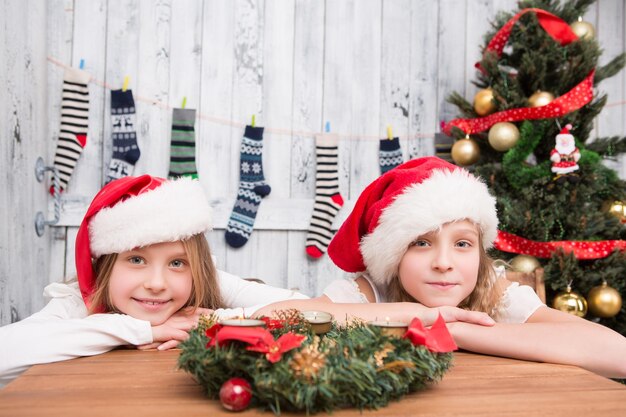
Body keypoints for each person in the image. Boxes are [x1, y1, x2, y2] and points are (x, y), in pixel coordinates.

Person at [311, 156, 626, 378]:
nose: (444, 263)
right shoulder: (368, 293)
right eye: (421, 242)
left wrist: (455, 331)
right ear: (393, 256)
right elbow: (267, 317)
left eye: (462, 244)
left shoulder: (493, 292)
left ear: (479, 253)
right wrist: (416, 317)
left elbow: (618, 354)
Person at [0, 175, 308, 388]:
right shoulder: (78, 302)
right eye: (136, 260)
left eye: (176, 263)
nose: (157, 283)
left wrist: (211, 321)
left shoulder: (199, 283)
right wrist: (145, 330)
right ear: (106, 266)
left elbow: (308, 310)